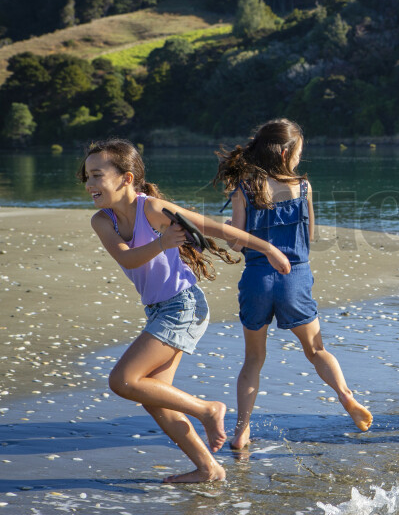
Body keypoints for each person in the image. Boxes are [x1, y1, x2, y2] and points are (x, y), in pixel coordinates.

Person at [78, 139, 291, 483]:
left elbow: (213, 227)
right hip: (159, 310)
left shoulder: (152, 209)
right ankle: (209, 469)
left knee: (123, 380)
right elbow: (127, 258)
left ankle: (208, 410)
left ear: (126, 178)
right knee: (153, 397)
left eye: (97, 175)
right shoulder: (103, 221)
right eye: (87, 176)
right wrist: (163, 243)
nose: (89, 184)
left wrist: (267, 248)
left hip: (183, 306)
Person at [214, 118, 373, 450]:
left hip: (258, 277)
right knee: (316, 350)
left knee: (253, 359)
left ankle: (242, 431)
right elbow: (310, 235)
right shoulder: (303, 186)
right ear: (286, 153)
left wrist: (232, 226)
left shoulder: (244, 186)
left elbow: (238, 244)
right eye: (299, 152)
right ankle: (346, 396)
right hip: (295, 277)